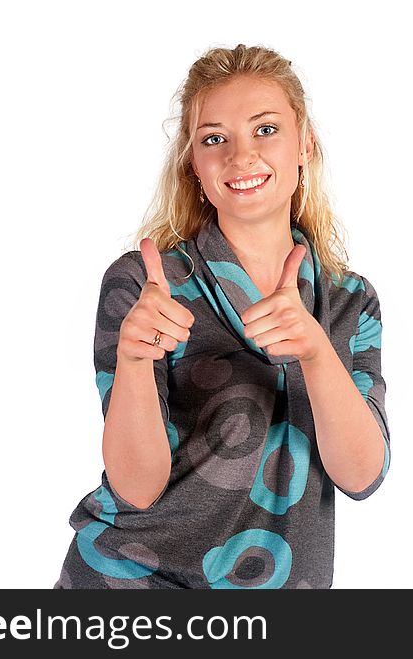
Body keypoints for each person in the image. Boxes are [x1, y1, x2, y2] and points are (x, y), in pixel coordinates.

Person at [54, 44, 390, 589]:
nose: (241, 156)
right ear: (194, 161)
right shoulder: (145, 285)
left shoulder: (350, 301)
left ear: (305, 143)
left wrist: (315, 351)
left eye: (265, 130)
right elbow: (136, 487)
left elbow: (362, 475)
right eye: (215, 139)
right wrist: (134, 360)